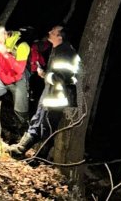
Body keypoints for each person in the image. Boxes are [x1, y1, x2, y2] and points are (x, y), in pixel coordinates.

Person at [7, 25, 81, 158]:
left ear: (60, 37)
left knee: (46, 127)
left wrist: (45, 75)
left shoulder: (66, 53)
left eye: (53, 31)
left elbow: (61, 78)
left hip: (57, 97)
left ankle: (37, 158)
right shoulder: (58, 49)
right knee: (38, 121)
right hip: (50, 93)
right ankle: (22, 149)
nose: (49, 32)